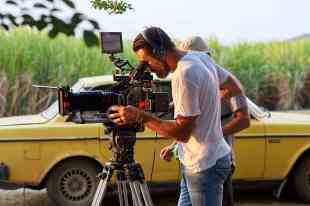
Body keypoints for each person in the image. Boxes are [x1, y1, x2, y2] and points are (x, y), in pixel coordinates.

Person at [107, 27, 244, 206]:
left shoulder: (184, 74)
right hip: (198, 161)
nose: (148, 69)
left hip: (204, 166)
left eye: (147, 62)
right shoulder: (199, 57)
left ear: (160, 51)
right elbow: (234, 87)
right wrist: (209, 102)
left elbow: (182, 133)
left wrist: (142, 117)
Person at [161, 36, 250, 206]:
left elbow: (244, 120)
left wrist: (214, 133)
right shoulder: (191, 80)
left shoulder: (224, 84)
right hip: (191, 159)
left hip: (215, 159)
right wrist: (173, 146)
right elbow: (191, 125)